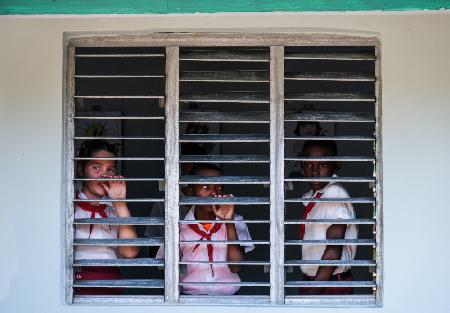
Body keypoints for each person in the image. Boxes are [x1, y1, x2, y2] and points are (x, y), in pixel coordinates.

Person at [157, 163, 254, 295]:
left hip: (227, 301)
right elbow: (166, 268)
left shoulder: (236, 221)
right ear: (190, 192)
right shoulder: (178, 227)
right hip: (189, 300)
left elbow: (236, 267)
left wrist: (229, 222)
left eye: (219, 187)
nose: (214, 193)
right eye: (205, 187)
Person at [74, 140, 139, 295]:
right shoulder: (69, 206)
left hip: (111, 284)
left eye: (110, 169)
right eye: (96, 167)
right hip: (75, 284)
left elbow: (129, 252)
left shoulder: (115, 209)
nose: (104, 175)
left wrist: (120, 204)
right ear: (81, 169)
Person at [299, 140, 357, 295]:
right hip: (315, 282)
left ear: (337, 164)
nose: (315, 171)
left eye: (323, 165)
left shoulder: (334, 194)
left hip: (329, 287)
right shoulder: (316, 196)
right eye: (308, 165)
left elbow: (333, 250)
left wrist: (312, 294)